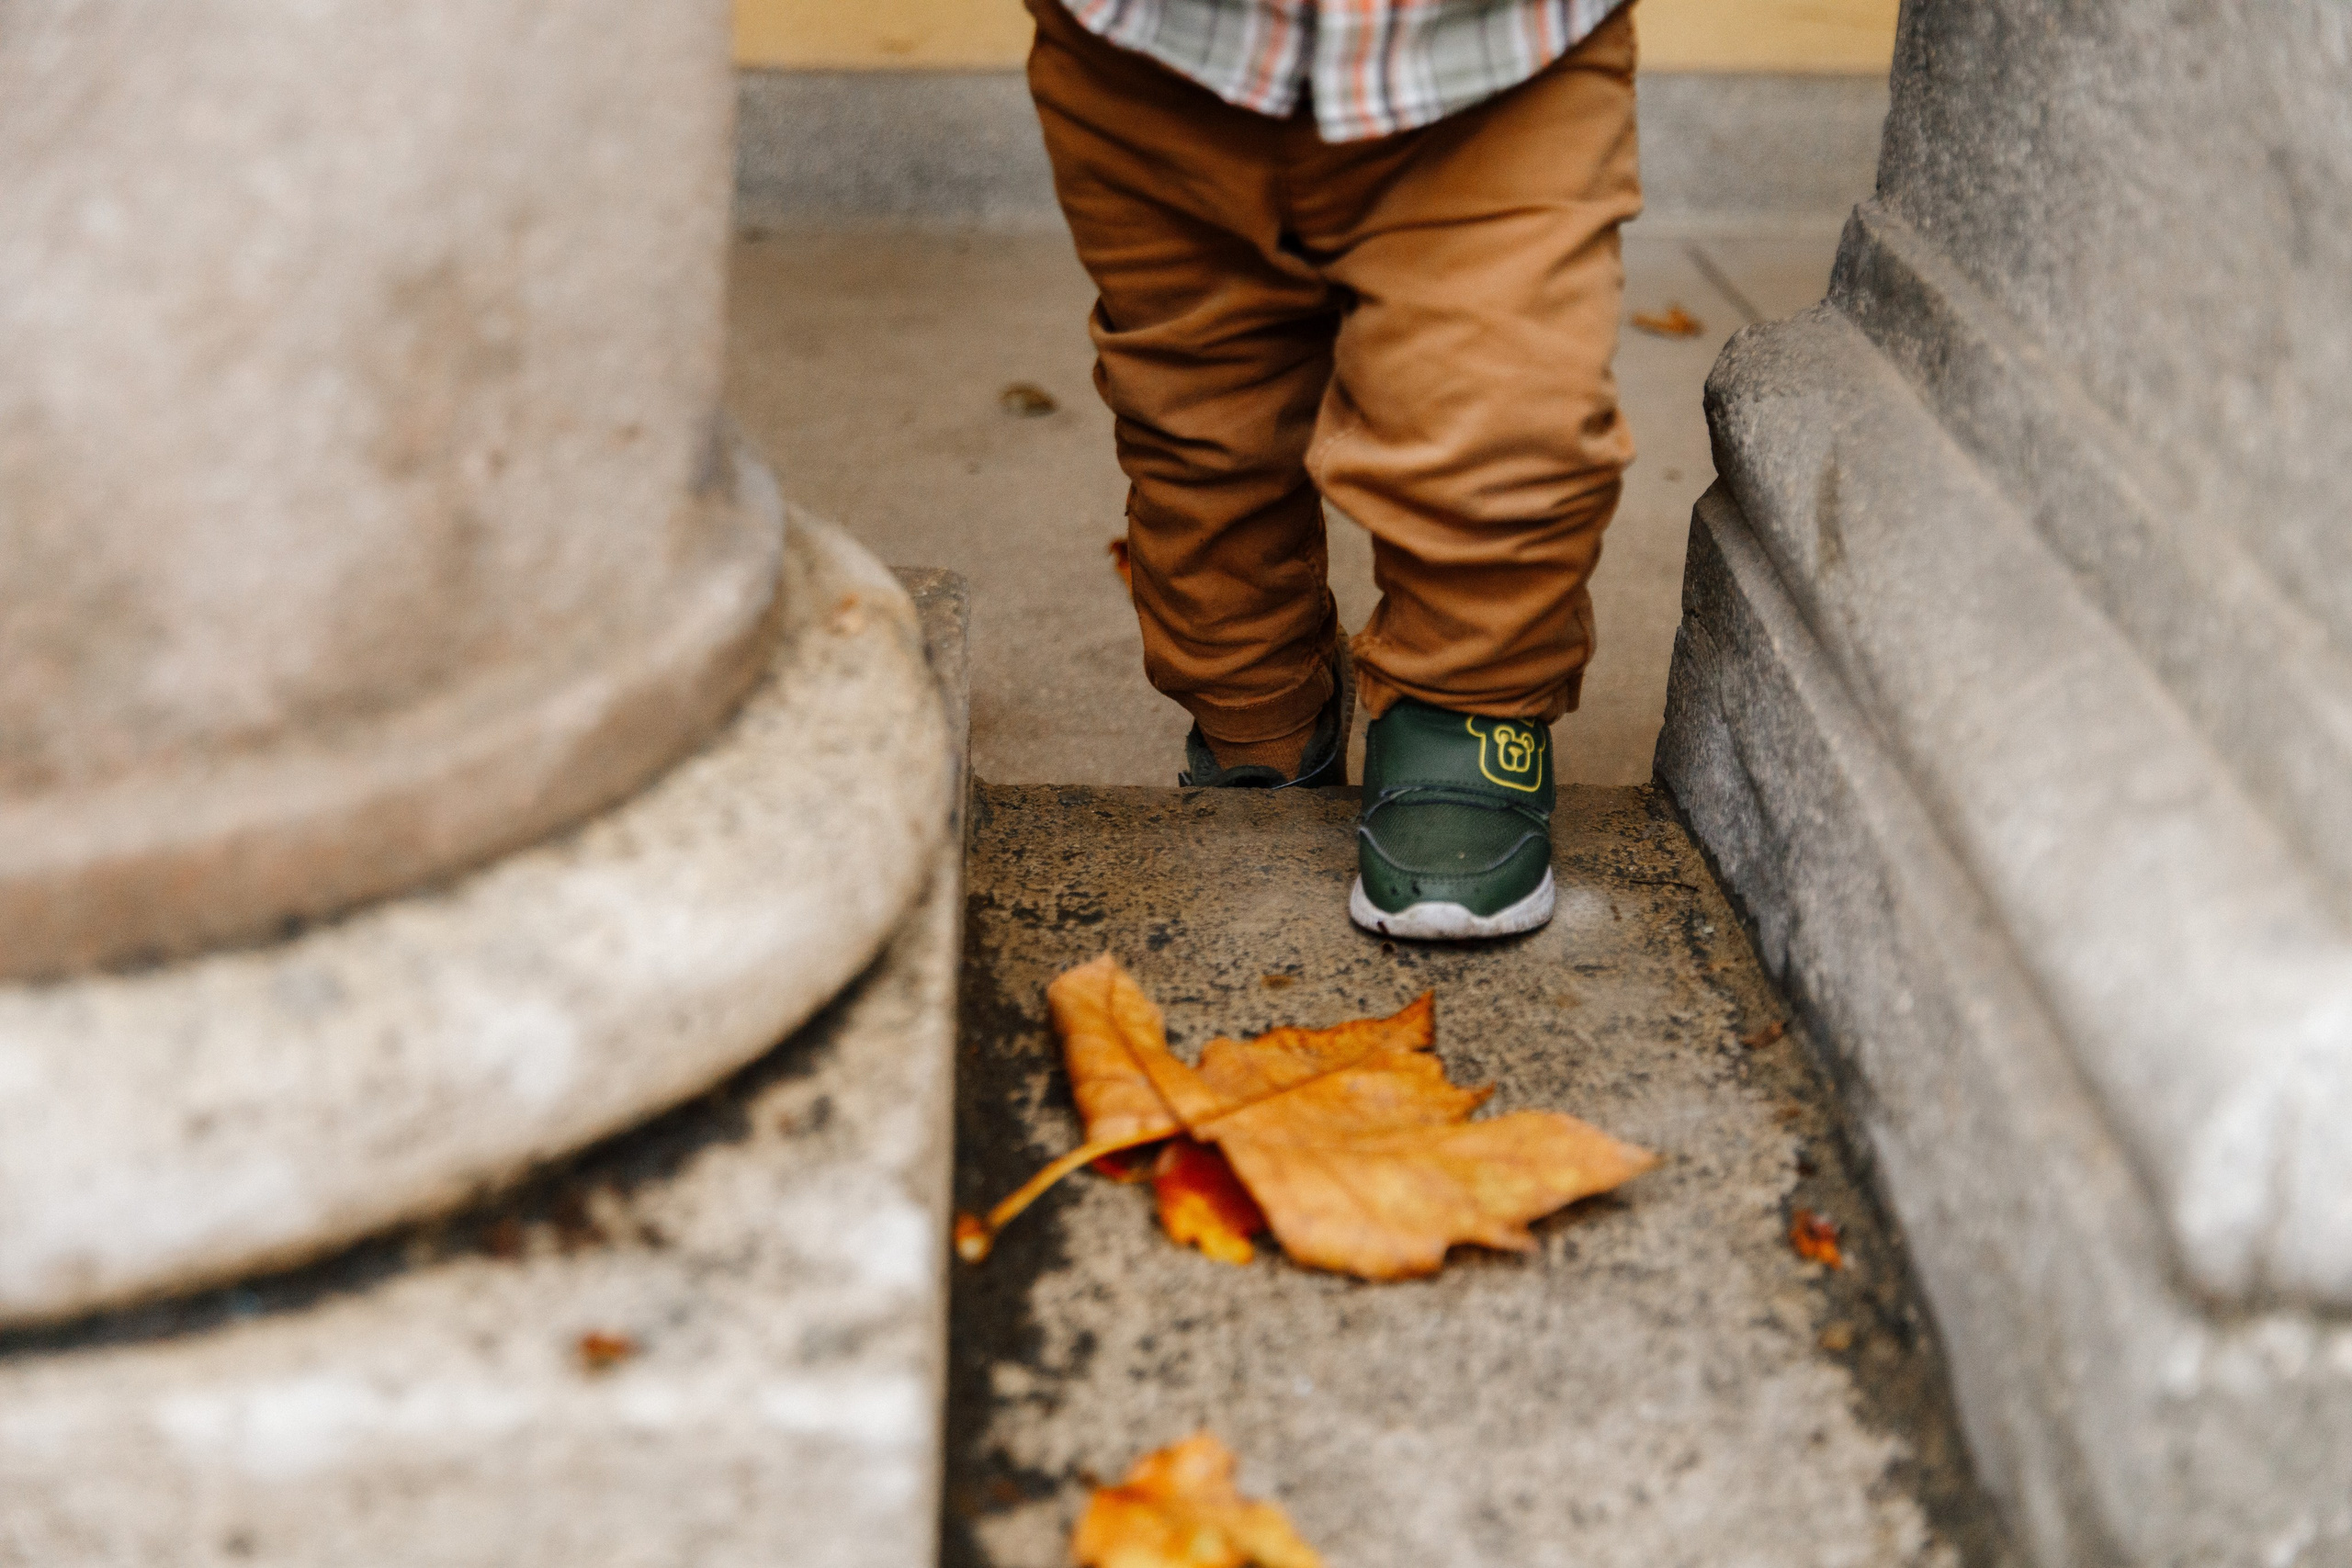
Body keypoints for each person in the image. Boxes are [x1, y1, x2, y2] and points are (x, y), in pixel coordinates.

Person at [1026, 0, 1640, 939]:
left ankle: (1466, 708)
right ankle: (1252, 704)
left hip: (1496, 63)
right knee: (1199, 423)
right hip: (1149, 55)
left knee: (1502, 405)